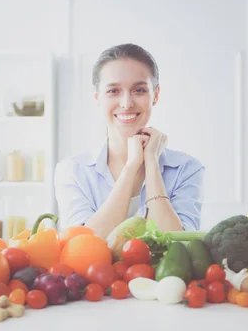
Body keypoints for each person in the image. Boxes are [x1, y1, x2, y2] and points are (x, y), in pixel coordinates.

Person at [54, 43, 205, 239]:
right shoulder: (73, 171)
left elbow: (176, 246)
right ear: (97, 96)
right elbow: (84, 245)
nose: (126, 103)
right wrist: (131, 167)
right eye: (113, 91)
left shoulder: (186, 169)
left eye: (139, 90)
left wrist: (151, 162)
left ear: (155, 95)